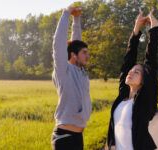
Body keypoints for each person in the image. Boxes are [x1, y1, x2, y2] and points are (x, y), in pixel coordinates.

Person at [105, 9, 158, 150]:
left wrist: (154, 28)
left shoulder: (145, 100)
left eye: (136, 72)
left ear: (143, 80)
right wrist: (136, 29)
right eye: (131, 71)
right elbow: (128, 60)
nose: (130, 72)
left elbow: (151, 60)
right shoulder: (123, 95)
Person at [51, 6, 91, 150]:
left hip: (77, 137)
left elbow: (75, 43)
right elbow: (58, 44)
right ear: (73, 55)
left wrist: (76, 20)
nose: (87, 56)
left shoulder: (80, 72)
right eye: (84, 53)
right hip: (64, 138)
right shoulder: (63, 71)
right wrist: (66, 14)